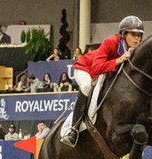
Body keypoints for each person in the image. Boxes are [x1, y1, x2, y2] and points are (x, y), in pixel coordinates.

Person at [62, 15, 144, 147]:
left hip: (104, 74)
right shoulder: (110, 42)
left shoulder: (136, 51)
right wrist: (118, 60)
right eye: (133, 34)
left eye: (139, 35)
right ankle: (73, 129)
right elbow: (95, 69)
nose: (137, 39)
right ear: (123, 34)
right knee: (87, 86)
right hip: (85, 68)